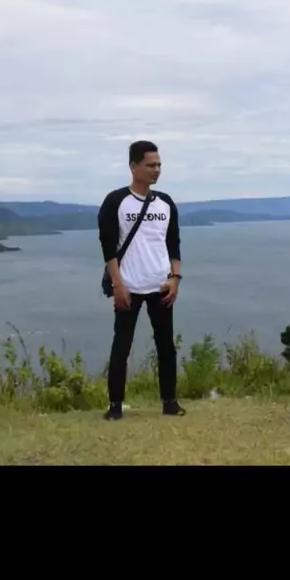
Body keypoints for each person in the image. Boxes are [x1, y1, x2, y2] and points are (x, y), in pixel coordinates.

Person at [98, 140, 185, 420]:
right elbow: (108, 247)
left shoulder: (166, 203)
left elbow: (173, 244)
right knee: (121, 347)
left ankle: (170, 402)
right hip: (129, 286)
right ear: (133, 166)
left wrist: (175, 279)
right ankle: (115, 406)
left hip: (161, 285)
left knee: (166, 346)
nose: (156, 170)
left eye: (159, 164)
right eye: (150, 165)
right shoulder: (116, 201)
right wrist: (118, 284)